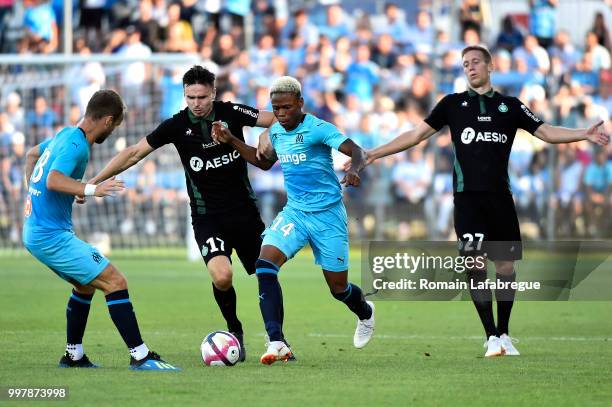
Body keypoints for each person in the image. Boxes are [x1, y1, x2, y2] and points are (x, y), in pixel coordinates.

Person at [361, 45, 609, 357]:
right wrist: (372, 154)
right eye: (465, 64)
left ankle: (504, 333)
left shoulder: (510, 106)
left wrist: (582, 134)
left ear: (490, 66)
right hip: (467, 200)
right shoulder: (452, 105)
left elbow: (546, 132)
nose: (470, 67)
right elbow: (414, 136)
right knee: (474, 264)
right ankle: (490, 335)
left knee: (505, 266)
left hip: (500, 199)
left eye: (476, 62)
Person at [88, 66, 278, 362]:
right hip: (207, 215)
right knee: (222, 276)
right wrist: (92, 182)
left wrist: (268, 135)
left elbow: (278, 117)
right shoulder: (176, 126)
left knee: (266, 272)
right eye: (190, 97)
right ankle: (234, 330)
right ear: (184, 96)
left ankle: (276, 338)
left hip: (244, 212)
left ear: (213, 93)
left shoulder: (233, 111)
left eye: (202, 96)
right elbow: (134, 153)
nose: (196, 103)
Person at [211, 76, 375, 365]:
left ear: (301, 103)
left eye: (287, 107)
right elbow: (263, 162)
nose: (281, 113)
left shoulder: (318, 128)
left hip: (328, 216)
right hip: (295, 213)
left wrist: (355, 169)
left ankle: (365, 312)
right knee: (265, 266)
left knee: (338, 289)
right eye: (276, 108)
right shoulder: (276, 132)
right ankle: (277, 341)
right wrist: (233, 140)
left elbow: (357, 151)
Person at [22, 90, 179, 371]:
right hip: (50, 236)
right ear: (107, 120)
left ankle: (74, 356)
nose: (115, 127)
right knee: (115, 281)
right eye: (116, 124)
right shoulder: (77, 145)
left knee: (86, 284)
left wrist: (30, 195)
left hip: (36, 230)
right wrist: (91, 189)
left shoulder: (65, 133)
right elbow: (54, 181)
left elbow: (32, 154)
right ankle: (141, 356)